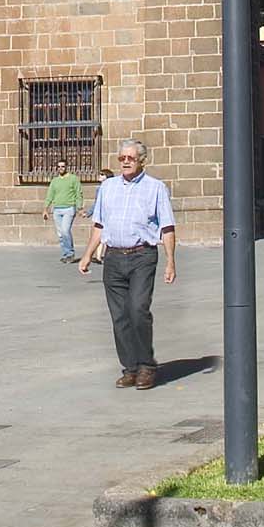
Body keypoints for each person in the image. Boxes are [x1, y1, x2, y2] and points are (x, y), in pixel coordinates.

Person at [77, 138, 177, 389]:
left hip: (142, 256)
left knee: (138, 309)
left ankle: (146, 366)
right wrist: (88, 254)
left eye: (130, 158)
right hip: (112, 258)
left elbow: (167, 227)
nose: (125, 162)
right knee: (119, 316)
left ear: (142, 160)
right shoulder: (108, 188)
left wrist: (170, 262)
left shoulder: (156, 188)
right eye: (122, 158)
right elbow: (99, 225)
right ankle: (130, 368)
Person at [44, 159, 83, 264]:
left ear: (67, 167)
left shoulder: (73, 179)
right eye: (59, 167)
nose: (60, 168)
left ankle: (70, 253)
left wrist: (79, 207)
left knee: (65, 231)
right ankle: (65, 254)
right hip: (57, 209)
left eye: (63, 166)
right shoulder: (55, 181)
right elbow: (50, 195)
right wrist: (45, 209)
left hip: (69, 208)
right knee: (61, 234)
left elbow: (78, 193)